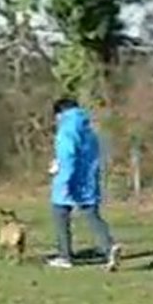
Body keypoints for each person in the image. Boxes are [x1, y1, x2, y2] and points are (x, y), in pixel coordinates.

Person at [47, 98, 121, 270]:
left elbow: (67, 155)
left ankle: (65, 256)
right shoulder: (88, 129)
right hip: (88, 178)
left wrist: (61, 175)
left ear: (60, 113)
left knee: (60, 215)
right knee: (91, 214)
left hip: (69, 178)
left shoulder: (66, 129)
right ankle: (109, 247)